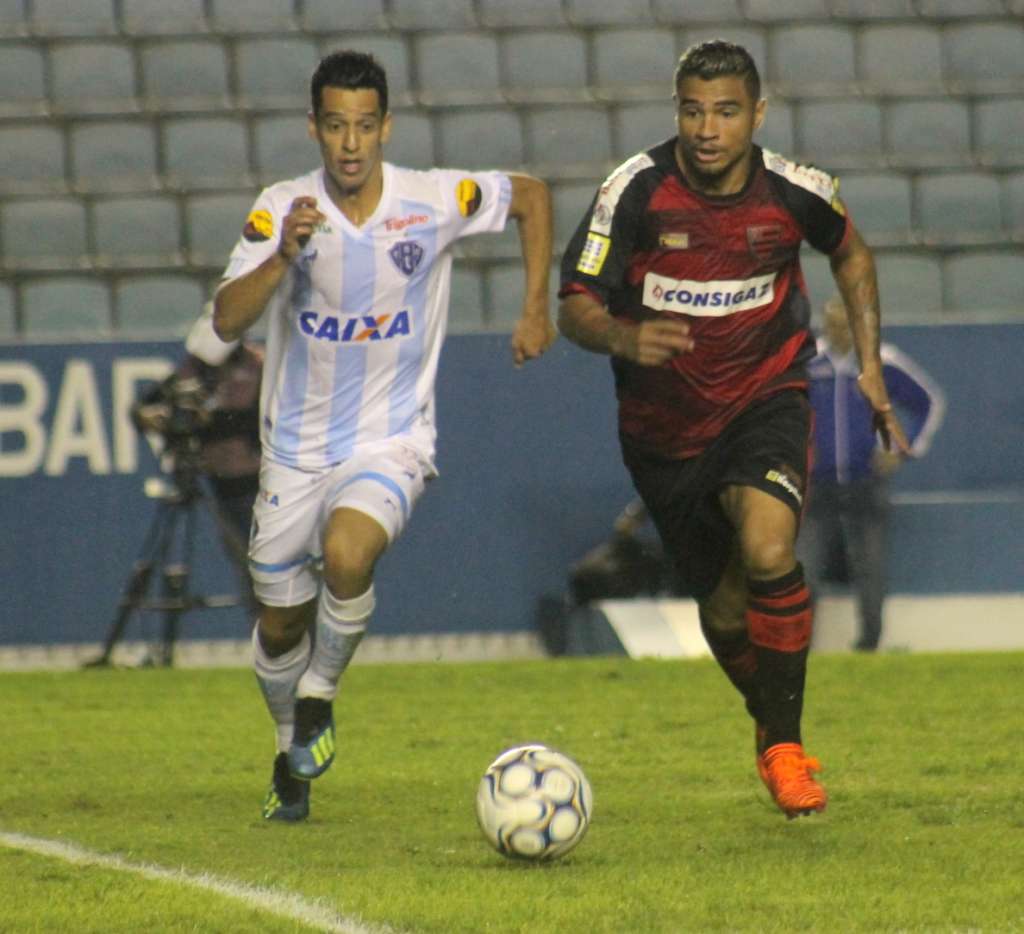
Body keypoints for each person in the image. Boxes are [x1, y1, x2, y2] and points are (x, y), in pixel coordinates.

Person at [557, 40, 910, 819]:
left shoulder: (796, 190)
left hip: (765, 399)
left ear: (757, 113)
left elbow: (851, 253)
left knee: (769, 548)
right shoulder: (636, 191)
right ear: (676, 111)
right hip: (663, 431)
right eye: (692, 110)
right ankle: (774, 724)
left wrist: (872, 367)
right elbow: (574, 301)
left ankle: (784, 750)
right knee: (722, 608)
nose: (707, 129)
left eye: (724, 111)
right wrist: (622, 336)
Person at [213, 50, 556, 822]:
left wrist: (537, 306)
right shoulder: (281, 209)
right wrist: (283, 257)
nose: (351, 143)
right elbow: (227, 318)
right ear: (314, 128)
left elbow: (532, 196)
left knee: (347, 554)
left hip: (392, 439)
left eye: (365, 125)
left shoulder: (432, 199)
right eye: (335, 125)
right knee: (278, 618)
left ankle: (321, 699)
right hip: (296, 451)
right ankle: (288, 747)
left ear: (386, 127)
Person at [802, 296, 945, 652]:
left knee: (871, 570)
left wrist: (902, 449)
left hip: (866, 484)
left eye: (845, 324)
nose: (838, 332)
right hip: (815, 487)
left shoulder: (880, 362)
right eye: (832, 324)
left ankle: (869, 645)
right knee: (804, 570)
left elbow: (929, 402)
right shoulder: (808, 364)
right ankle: (798, 650)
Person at [132, 304, 263, 608]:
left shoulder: (259, 366)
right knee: (242, 556)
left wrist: (211, 420)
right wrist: (152, 417)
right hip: (210, 477)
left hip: (254, 482)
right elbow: (145, 405)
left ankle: (276, 635)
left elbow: (260, 422)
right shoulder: (195, 367)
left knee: (258, 562)